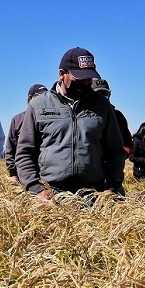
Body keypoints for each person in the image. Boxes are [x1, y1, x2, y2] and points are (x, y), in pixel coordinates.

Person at [16, 47, 126, 201]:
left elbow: (115, 151)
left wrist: (112, 187)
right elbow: (25, 153)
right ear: (62, 74)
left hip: (94, 193)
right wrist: (35, 188)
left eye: (89, 78)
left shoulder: (102, 106)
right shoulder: (38, 106)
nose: (86, 83)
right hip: (51, 194)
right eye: (80, 79)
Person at [3, 84, 47, 184]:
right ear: (31, 98)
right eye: (41, 96)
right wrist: (12, 173)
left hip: (46, 173)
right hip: (25, 173)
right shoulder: (17, 120)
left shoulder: (51, 119)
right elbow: (10, 148)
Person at [91, 78, 133, 155]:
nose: (102, 97)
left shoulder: (118, 116)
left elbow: (128, 143)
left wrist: (119, 156)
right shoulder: (82, 116)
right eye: (98, 93)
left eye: (105, 94)